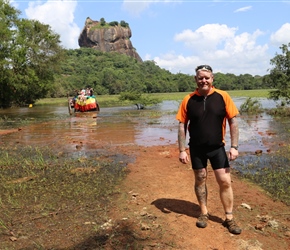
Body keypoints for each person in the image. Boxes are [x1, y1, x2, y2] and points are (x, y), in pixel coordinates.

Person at [176, 64, 242, 235]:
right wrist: (182, 149)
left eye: (207, 77)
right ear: (195, 80)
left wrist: (234, 146)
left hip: (217, 148)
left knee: (225, 181)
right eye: (200, 78)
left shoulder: (223, 96)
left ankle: (229, 217)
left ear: (212, 79)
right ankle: (204, 213)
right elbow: (182, 125)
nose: (203, 80)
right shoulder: (188, 99)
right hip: (196, 149)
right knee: (200, 179)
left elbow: (233, 122)